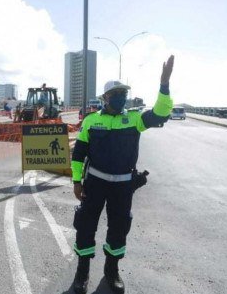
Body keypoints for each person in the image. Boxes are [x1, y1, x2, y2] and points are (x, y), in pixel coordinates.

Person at [70, 55, 175, 294]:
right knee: (85, 226)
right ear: (105, 98)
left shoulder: (135, 119)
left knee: (119, 228)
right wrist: (77, 181)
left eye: (123, 94)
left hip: (122, 186)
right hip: (94, 183)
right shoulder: (90, 121)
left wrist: (164, 84)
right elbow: (78, 155)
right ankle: (82, 272)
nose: (120, 97)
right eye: (115, 94)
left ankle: (111, 270)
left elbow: (161, 113)